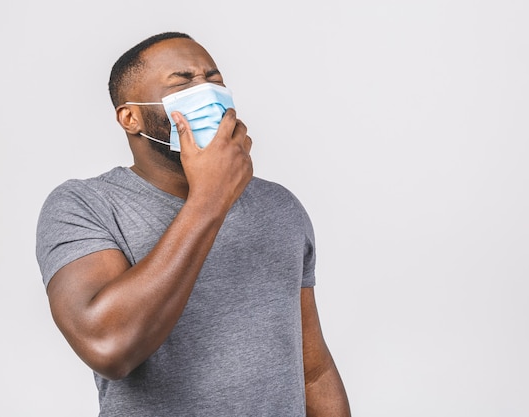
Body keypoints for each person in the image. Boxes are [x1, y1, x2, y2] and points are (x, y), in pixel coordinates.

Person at [36, 31, 351, 417]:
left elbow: (313, 371)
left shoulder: (278, 204)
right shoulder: (86, 205)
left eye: (214, 79)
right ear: (130, 117)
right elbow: (109, 347)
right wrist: (210, 199)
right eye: (183, 81)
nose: (207, 90)